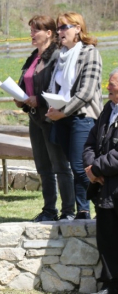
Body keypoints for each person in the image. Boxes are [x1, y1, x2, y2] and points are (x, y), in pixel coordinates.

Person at [14, 15, 75, 221]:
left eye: (35, 30)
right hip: (34, 118)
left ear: (49, 33)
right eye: (30, 30)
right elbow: (25, 81)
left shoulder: (57, 56)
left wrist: (38, 99)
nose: (31, 34)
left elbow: (59, 88)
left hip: (52, 118)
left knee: (60, 165)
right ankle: (49, 209)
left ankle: (68, 211)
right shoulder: (33, 56)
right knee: (42, 166)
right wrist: (20, 97)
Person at [47, 12, 103, 220]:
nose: (60, 32)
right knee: (72, 166)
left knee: (82, 167)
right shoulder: (60, 56)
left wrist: (63, 112)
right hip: (62, 117)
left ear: (78, 28)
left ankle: (97, 208)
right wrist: (52, 109)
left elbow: (86, 92)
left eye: (64, 27)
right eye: (58, 28)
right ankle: (82, 210)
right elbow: (56, 87)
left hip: (83, 116)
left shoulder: (90, 53)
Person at [83, 69, 118, 294]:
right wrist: (90, 168)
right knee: (107, 240)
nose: (107, 87)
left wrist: (96, 167)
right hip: (105, 190)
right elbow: (90, 142)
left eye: (112, 84)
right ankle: (110, 285)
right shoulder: (108, 109)